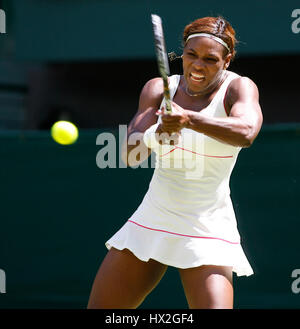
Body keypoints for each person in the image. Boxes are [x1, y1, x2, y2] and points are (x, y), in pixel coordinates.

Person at [87, 16, 263, 309]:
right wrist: (158, 133)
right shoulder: (158, 89)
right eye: (191, 55)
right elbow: (130, 156)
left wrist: (189, 120)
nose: (197, 65)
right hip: (153, 217)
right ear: (183, 53)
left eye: (210, 59)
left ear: (227, 61)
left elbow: (246, 132)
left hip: (208, 227)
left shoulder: (239, 89)